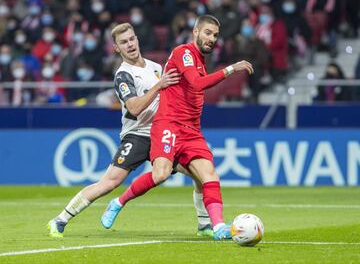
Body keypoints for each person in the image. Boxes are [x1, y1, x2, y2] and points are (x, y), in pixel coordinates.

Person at [47, 23, 213, 238]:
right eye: (123, 42)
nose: (130, 44)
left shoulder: (156, 67)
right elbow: (134, 107)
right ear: (117, 48)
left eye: (132, 39)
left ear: (137, 39)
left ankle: (204, 225)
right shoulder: (123, 75)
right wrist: (158, 87)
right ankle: (60, 219)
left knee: (200, 175)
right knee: (110, 182)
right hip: (138, 135)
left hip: (163, 133)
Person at [101, 15, 254, 240]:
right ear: (195, 32)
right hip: (168, 124)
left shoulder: (200, 60)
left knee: (209, 176)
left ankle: (218, 226)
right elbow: (197, 83)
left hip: (191, 130)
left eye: (215, 35)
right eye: (207, 33)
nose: (211, 38)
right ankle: (118, 202)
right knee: (161, 174)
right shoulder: (184, 52)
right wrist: (231, 69)